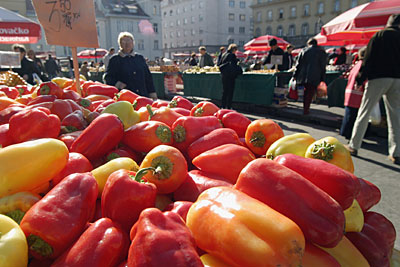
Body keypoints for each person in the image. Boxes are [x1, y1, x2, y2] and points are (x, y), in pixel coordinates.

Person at [346, 14, 400, 165]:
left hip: (378, 78)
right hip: (397, 79)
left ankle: (354, 145)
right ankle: (396, 152)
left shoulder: (379, 35)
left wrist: (360, 78)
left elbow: (368, 58)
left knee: (364, 111)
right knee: (395, 115)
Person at [104, 32, 157, 99]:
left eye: (129, 41)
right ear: (120, 44)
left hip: (142, 95)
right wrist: (118, 84)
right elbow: (108, 77)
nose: (127, 44)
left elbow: (148, 77)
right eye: (124, 41)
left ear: (133, 43)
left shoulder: (139, 58)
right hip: (125, 97)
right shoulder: (115, 59)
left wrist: (152, 93)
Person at [293, 38, 327, 115]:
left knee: (306, 92)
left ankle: (306, 108)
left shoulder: (304, 50)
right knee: (311, 92)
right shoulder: (321, 51)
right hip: (316, 75)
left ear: (309, 43)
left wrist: (295, 75)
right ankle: (306, 109)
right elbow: (323, 66)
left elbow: (298, 65)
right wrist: (323, 77)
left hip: (304, 75)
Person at [340, 47, 367, 139]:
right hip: (358, 93)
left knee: (349, 115)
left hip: (350, 91)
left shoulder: (356, 64)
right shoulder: (364, 65)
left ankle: (345, 132)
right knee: (353, 116)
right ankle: (349, 134)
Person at [218, 44, 241, 109]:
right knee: (230, 91)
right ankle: (229, 106)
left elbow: (219, 64)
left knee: (225, 91)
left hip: (224, 75)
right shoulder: (232, 55)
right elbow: (234, 65)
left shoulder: (223, 54)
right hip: (230, 76)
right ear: (234, 49)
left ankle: (223, 105)